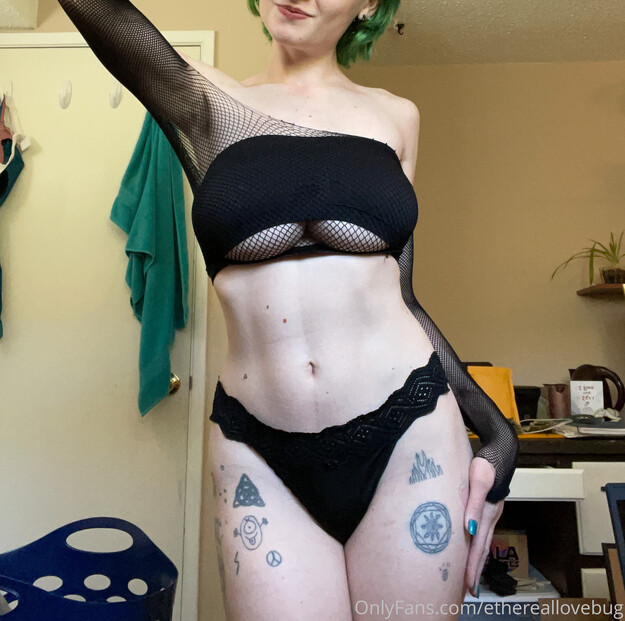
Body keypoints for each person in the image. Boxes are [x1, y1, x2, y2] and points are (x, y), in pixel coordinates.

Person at [57, 0, 519, 618]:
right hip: (258, 452)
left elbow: (401, 297)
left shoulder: (397, 117)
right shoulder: (202, 97)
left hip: (408, 432)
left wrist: (499, 433)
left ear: (370, 5)